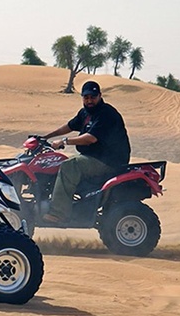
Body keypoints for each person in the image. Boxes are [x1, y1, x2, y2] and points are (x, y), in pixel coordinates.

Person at [40, 80, 131, 223]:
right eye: (86, 97)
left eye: (93, 97)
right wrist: (45, 137)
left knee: (70, 165)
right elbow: (69, 126)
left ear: (100, 96)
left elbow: (91, 138)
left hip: (107, 161)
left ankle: (58, 213)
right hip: (92, 157)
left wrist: (64, 141)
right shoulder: (85, 113)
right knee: (55, 162)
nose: (89, 100)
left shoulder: (106, 113)